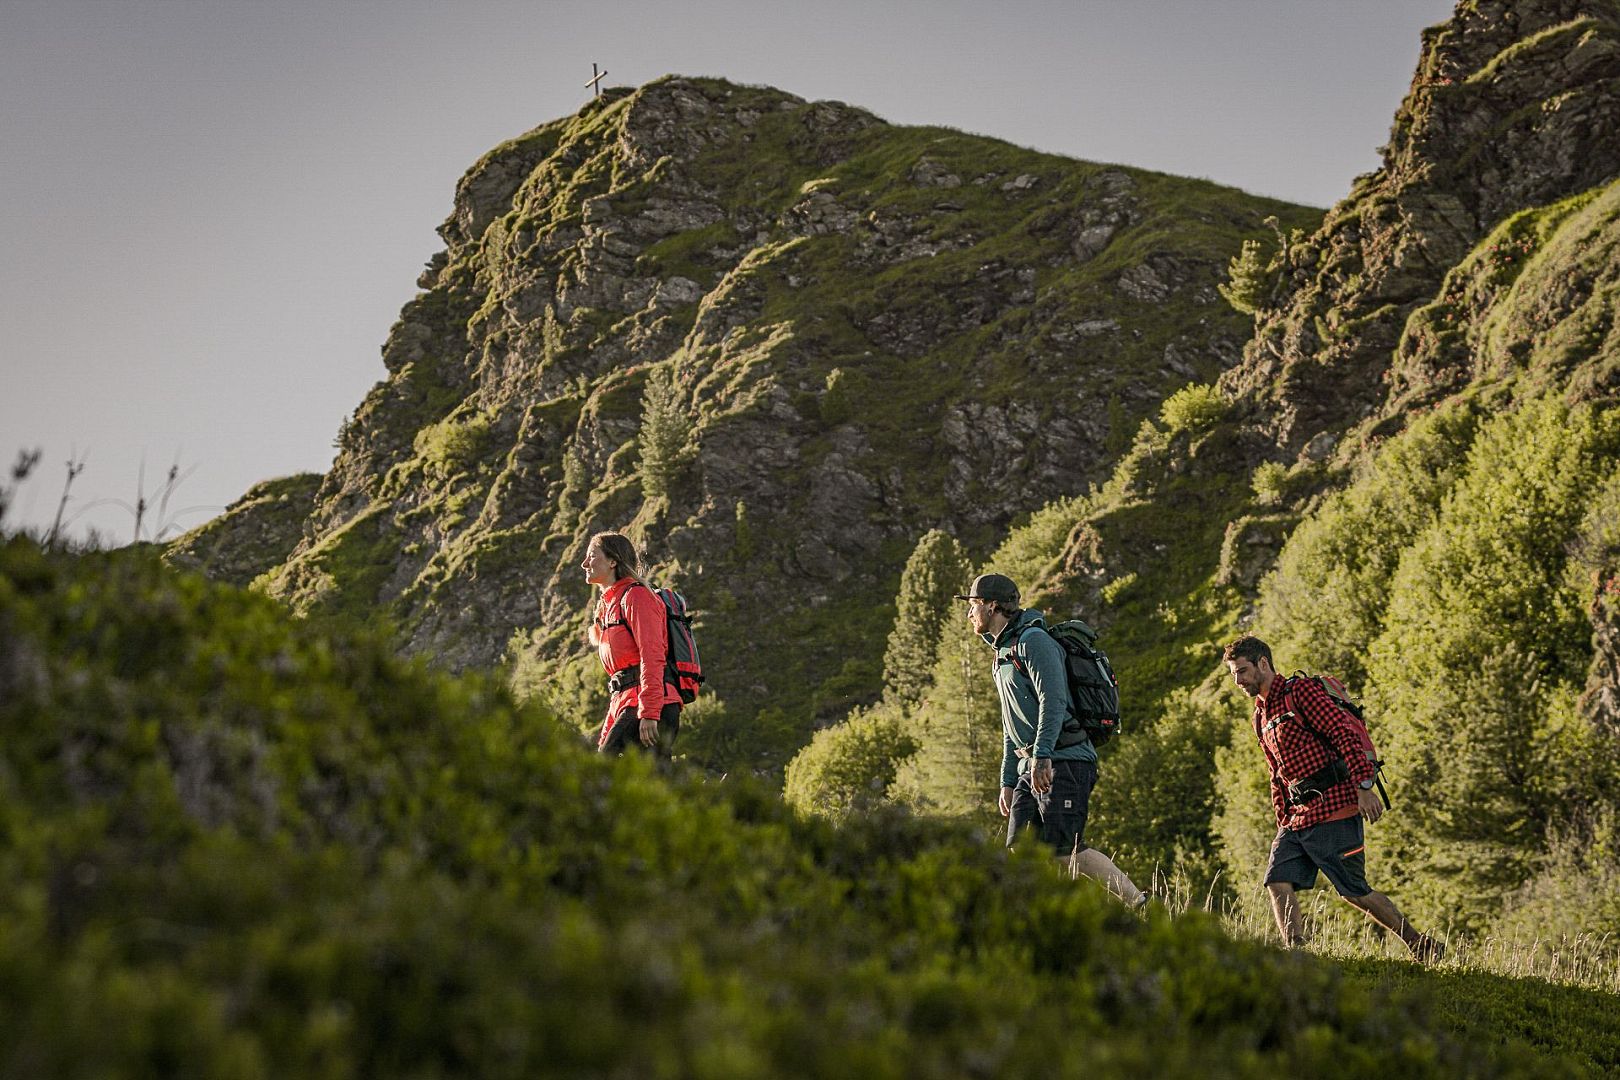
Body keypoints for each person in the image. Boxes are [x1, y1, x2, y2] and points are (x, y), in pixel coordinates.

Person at [1223, 635, 1442, 962]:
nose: (1238, 681)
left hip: (1335, 806)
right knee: (1277, 880)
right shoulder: (1260, 716)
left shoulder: (1300, 692)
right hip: (1297, 818)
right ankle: (1296, 956)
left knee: (1354, 891)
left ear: (1263, 663)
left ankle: (1419, 943)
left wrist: (1364, 786)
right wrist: (1282, 817)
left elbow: (1343, 733)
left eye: (1241, 671)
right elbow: (1276, 773)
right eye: (1233, 674)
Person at [958, 572, 1147, 908]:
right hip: (1031, 766)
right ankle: (1042, 916)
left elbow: (1054, 700)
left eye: (973, 605)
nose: (969, 613)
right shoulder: (1002, 654)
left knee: (1065, 850)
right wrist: (1007, 780)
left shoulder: (1034, 642)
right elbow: (1011, 724)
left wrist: (1043, 756)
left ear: (991, 605)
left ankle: (1138, 904)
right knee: (1021, 851)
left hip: (1065, 760)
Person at [583, 531, 680, 756]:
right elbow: (621, 680)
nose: (584, 563)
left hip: (650, 705)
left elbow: (652, 655)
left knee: (606, 769)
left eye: (592, 556)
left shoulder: (636, 597)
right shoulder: (609, 605)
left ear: (613, 561)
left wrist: (650, 712)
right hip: (628, 702)